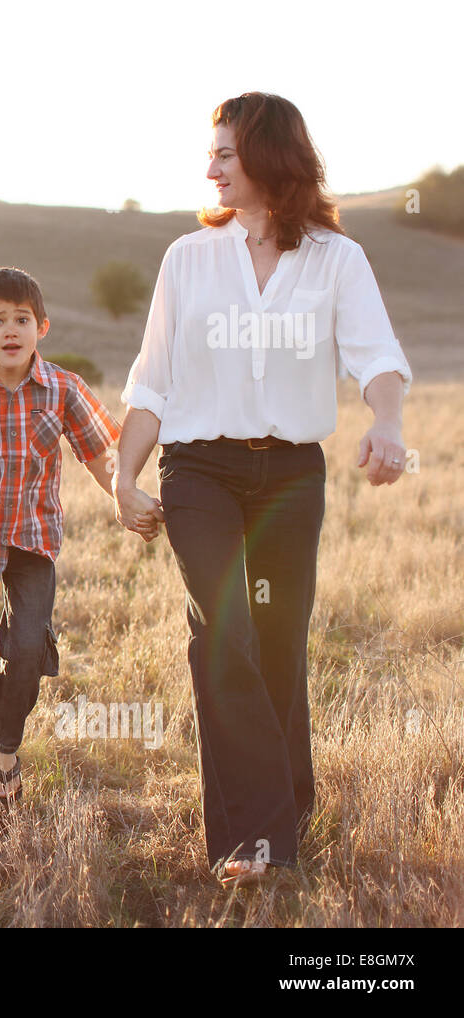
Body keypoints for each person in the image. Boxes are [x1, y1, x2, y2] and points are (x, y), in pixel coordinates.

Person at [112, 92, 412, 884]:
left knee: (278, 642)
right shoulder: (187, 259)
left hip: (289, 474)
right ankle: (260, 844)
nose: (208, 167)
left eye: (224, 153)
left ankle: (289, 814)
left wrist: (388, 425)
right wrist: (123, 473)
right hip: (199, 470)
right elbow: (151, 381)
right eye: (209, 153)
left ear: (269, 157)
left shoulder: (336, 260)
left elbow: (377, 355)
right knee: (225, 635)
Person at [0, 267, 129, 805]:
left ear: (43, 327)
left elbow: (98, 454)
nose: (10, 330)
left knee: (29, 649)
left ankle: (5, 747)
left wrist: (123, 496)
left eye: (22, 319)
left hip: (33, 545)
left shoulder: (61, 388)